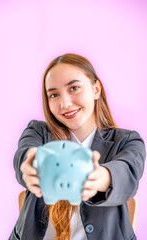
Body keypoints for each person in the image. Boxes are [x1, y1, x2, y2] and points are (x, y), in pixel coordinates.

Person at [9, 53, 146, 240]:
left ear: (96, 89)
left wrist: (100, 178)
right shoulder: (38, 131)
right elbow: (25, 154)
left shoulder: (127, 140)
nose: (64, 103)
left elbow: (128, 173)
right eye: (54, 94)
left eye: (74, 88)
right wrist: (31, 164)